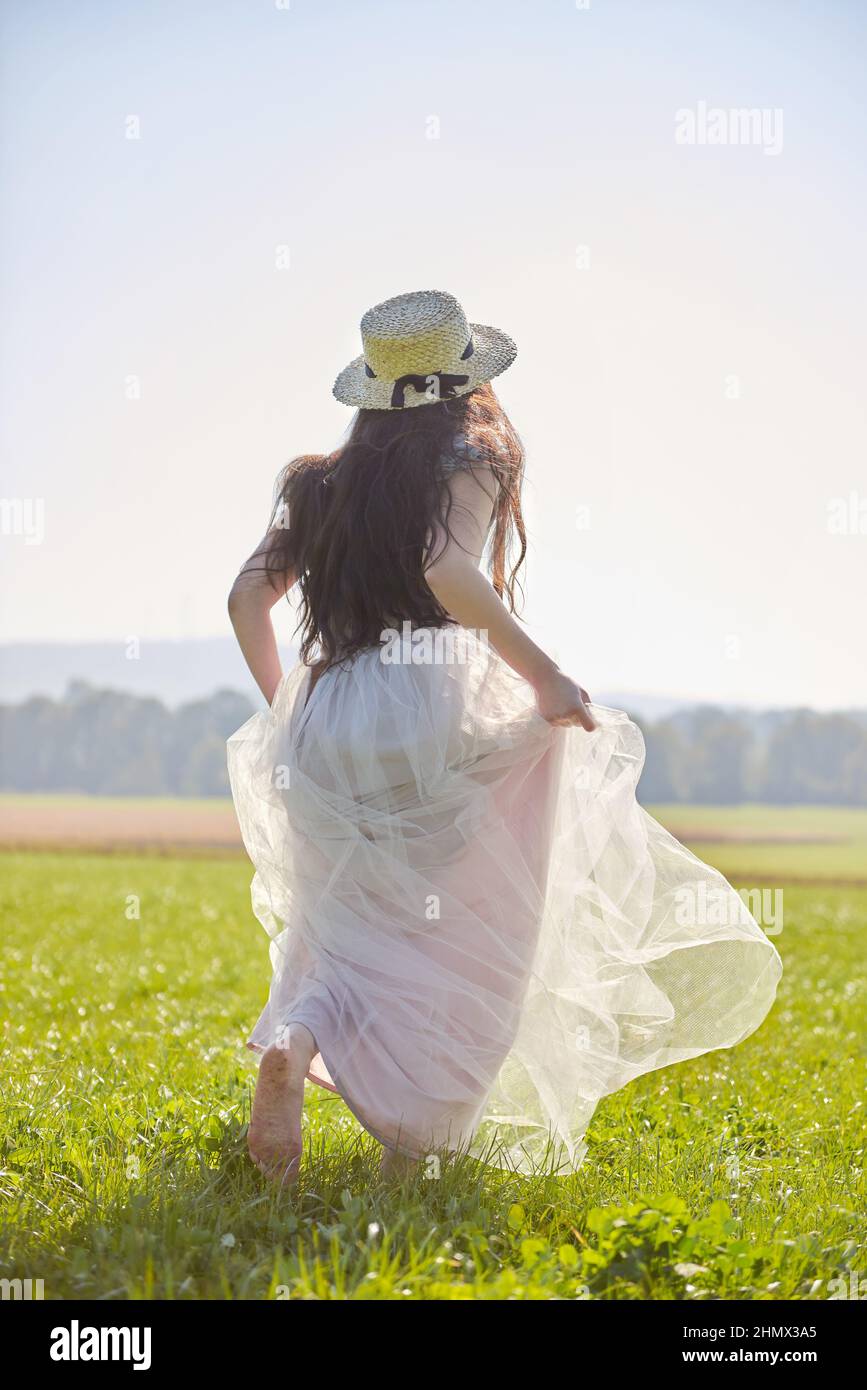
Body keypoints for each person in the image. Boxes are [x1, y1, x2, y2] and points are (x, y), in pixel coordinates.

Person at [227, 289, 781, 1182]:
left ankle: (299, 1033)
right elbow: (445, 569)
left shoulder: (315, 480)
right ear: (465, 380)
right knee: (477, 922)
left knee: (344, 925)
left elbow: (246, 597)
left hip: (325, 718)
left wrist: (290, 708)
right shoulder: (472, 455)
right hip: (430, 704)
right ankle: (406, 1161)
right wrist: (544, 678)